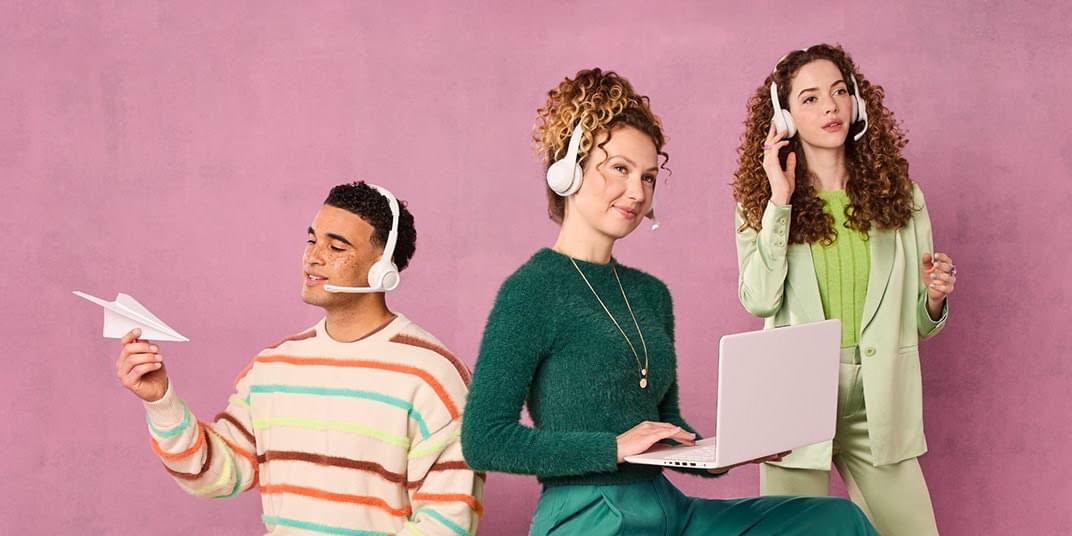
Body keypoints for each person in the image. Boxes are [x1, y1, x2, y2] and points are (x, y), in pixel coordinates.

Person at [461, 68, 876, 535]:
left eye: (649, 177)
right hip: (587, 515)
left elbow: (667, 424)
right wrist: (613, 447)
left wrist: (722, 454)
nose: (637, 193)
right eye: (619, 169)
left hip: (666, 508)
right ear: (569, 169)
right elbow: (484, 440)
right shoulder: (531, 291)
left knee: (834, 519)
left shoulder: (650, 294)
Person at [114, 181, 483, 535]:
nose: (313, 257)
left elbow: (447, 521)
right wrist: (160, 400)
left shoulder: (433, 375)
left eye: (336, 248)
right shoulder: (273, 367)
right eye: (311, 240)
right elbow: (214, 473)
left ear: (383, 270)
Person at [732, 44, 957, 535]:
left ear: (856, 99)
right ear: (783, 116)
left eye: (838, 92)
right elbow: (760, 298)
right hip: (792, 392)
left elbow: (919, 322)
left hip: (879, 389)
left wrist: (934, 298)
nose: (830, 107)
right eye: (809, 98)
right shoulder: (763, 205)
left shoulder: (903, 197)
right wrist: (781, 201)